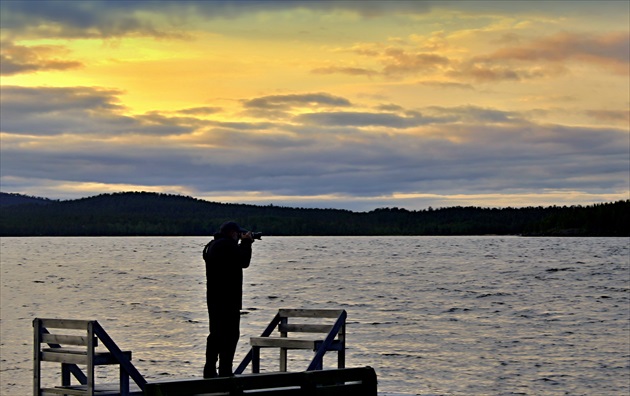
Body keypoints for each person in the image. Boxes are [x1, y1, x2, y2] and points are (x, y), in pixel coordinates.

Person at [203, 221, 254, 378]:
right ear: (233, 233)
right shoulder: (228, 245)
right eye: (238, 235)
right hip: (228, 299)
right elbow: (243, 261)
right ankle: (225, 370)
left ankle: (210, 369)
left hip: (214, 298)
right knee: (231, 335)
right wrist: (246, 243)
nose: (239, 237)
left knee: (216, 334)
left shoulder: (212, 245)